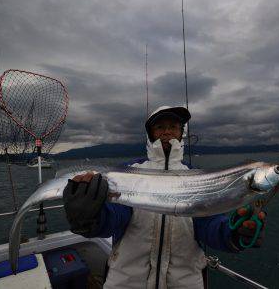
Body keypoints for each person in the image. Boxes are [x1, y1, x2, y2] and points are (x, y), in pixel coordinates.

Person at [63, 105, 267, 289]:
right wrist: (90, 217)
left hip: (186, 283)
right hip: (126, 282)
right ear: (151, 134)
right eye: (160, 127)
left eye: (173, 126)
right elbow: (115, 217)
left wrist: (235, 233)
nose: (167, 131)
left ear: (181, 133)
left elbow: (208, 225)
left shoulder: (197, 177)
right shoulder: (129, 173)